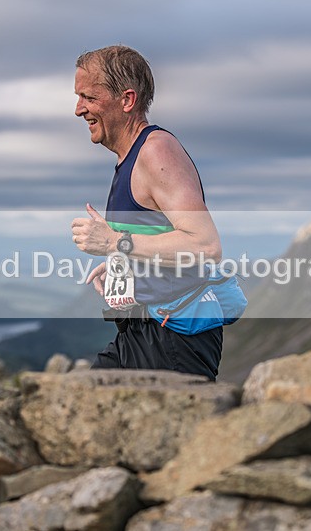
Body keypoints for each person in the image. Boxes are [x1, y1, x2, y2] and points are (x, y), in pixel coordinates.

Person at [71, 45, 223, 380]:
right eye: (78, 97)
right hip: (140, 332)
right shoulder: (130, 158)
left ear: (127, 100)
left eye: (89, 97)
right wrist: (123, 266)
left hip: (174, 338)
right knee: (78, 406)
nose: (78, 109)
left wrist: (115, 243)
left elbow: (205, 246)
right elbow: (158, 234)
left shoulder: (156, 151)